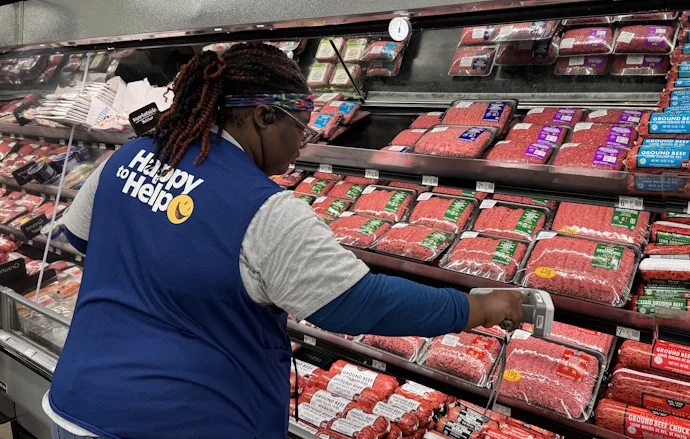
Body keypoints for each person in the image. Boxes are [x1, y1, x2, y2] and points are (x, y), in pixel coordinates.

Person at [44, 42, 525, 439]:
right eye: (299, 127)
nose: (302, 144)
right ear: (262, 117)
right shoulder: (260, 208)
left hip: (76, 402)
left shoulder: (128, 156)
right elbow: (357, 304)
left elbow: (83, 238)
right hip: (184, 420)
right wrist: (476, 308)